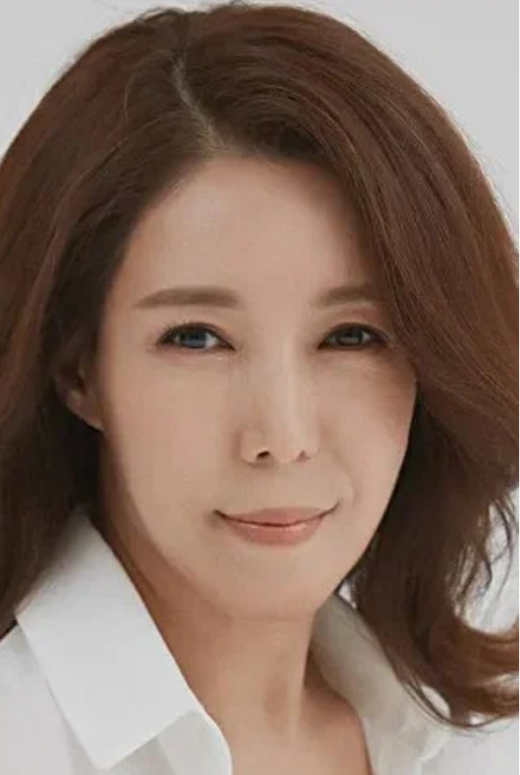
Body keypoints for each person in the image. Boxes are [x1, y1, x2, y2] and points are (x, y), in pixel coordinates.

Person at [0, 3, 517, 774]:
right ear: (79, 369)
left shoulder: (463, 742)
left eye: (351, 336)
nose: (282, 434)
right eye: (196, 337)